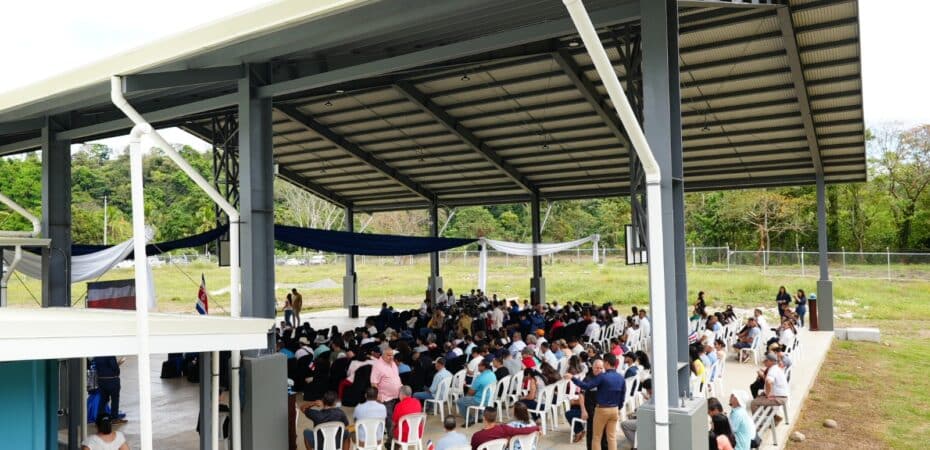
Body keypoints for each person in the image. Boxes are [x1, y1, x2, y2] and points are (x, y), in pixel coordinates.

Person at [567, 354, 624, 450]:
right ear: (592, 368)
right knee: (603, 436)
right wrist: (583, 410)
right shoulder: (590, 378)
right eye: (596, 368)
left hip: (601, 410)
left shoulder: (604, 377)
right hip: (594, 411)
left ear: (605, 366)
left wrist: (572, 378)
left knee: (602, 437)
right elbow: (582, 392)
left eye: (601, 368)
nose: (599, 370)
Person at [370, 348, 403, 438]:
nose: (391, 357)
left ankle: (397, 437)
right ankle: (391, 442)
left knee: (397, 419)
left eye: (392, 355)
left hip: (397, 396)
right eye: (388, 355)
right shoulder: (378, 366)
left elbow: (396, 377)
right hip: (385, 398)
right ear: (382, 355)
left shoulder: (393, 363)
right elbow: (373, 383)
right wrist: (377, 397)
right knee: (390, 421)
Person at [470, 408, 539, 450]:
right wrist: (536, 427)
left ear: (484, 418)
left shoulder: (477, 436)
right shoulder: (504, 428)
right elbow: (523, 430)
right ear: (495, 418)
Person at [750, 353, 789, 423]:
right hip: (780, 395)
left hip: (779, 398)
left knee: (754, 403)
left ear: (771, 361)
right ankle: (775, 419)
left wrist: (768, 394)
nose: (763, 362)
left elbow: (768, 381)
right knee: (760, 396)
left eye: (765, 360)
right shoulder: (776, 368)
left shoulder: (773, 370)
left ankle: (759, 424)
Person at [457, 360, 496, 426]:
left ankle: (470, 419)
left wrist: (466, 396)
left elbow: (471, 392)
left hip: (480, 400)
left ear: (483, 367)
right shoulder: (492, 374)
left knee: (460, 401)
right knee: (477, 394)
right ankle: (479, 417)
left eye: (479, 365)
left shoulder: (480, 377)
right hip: (490, 399)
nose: (478, 367)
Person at [93, 356, 126, 424]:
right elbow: (115, 368)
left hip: (101, 380)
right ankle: (114, 418)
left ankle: (100, 419)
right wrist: (118, 365)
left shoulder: (96, 355)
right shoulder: (110, 354)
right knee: (115, 400)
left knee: (103, 400)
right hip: (112, 380)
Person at [619, 379, 652, 446]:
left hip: (649, 422)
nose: (647, 392)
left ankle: (637, 446)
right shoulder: (659, 395)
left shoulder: (654, 396)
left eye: (647, 390)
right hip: (650, 419)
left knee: (624, 424)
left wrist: (638, 410)